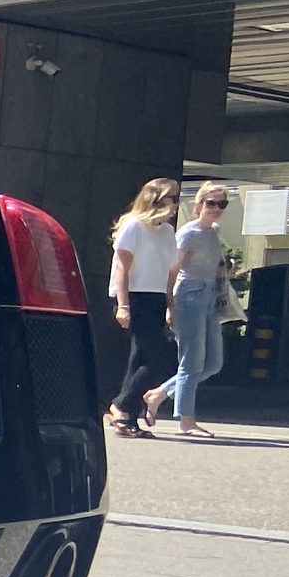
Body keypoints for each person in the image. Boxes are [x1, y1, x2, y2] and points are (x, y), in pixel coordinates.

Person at [149, 184, 230, 437]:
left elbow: (212, 266)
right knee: (191, 362)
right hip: (189, 297)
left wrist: (226, 271)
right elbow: (172, 271)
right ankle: (186, 422)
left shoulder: (212, 233)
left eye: (222, 204)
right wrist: (169, 305)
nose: (216, 209)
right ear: (198, 205)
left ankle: (158, 394)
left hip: (210, 297)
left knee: (213, 363)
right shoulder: (188, 233)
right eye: (211, 203)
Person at [105, 178, 179, 437]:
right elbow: (122, 267)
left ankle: (129, 420)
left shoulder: (168, 232)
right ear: (156, 200)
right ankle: (121, 404)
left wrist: (170, 304)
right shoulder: (133, 226)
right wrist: (123, 305)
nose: (176, 205)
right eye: (173, 198)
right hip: (133, 296)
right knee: (160, 357)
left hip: (156, 296)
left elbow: (170, 272)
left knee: (140, 359)